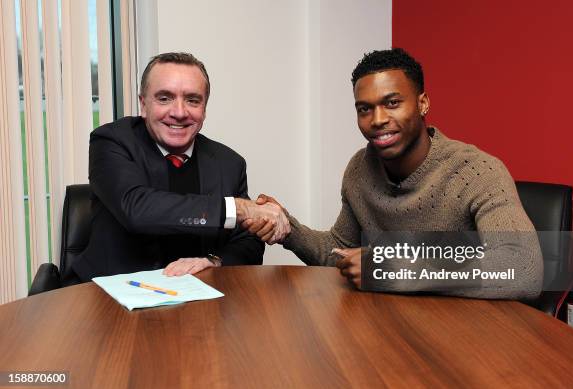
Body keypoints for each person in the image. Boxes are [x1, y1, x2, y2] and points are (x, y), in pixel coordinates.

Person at [244, 48, 543, 300]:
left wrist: (393, 270)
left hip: (473, 336)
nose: (378, 120)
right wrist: (288, 228)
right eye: (364, 109)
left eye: (392, 103)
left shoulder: (477, 171)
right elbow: (339, 250)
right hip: (396, 329)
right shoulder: (359, 169)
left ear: (423, 103)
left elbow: (523, 267)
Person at [70, 52, 289, 283]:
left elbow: (248, 243)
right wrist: (238, 208)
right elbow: (136, 208)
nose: (179, 112)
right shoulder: (112, 142)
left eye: (193, 100)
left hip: (198, 299)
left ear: (204, 108)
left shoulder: (229, 163)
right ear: (144, 105)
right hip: (111, 296)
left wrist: (214, 261)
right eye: (164, 98)